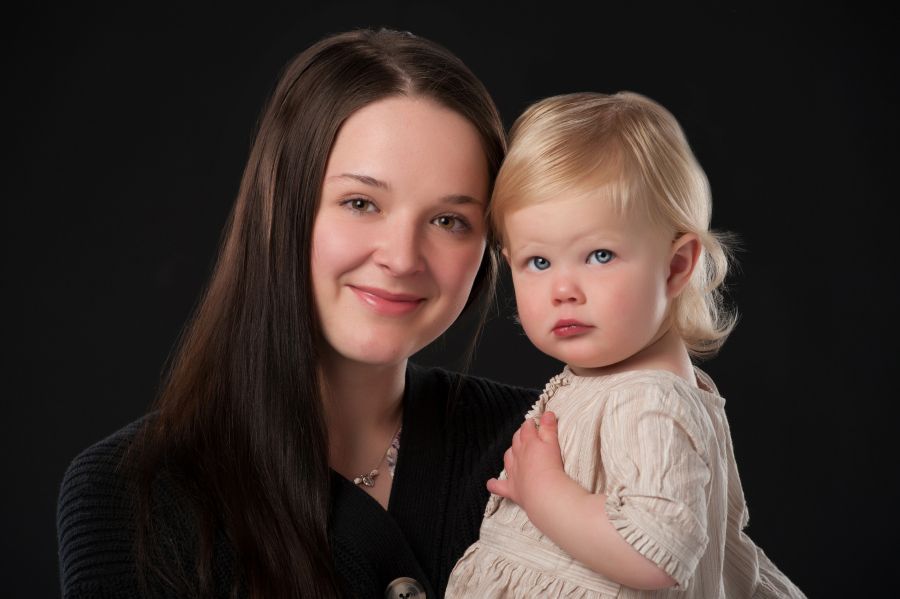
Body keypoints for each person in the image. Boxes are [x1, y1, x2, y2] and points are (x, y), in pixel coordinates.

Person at [56, 29, 537, 599]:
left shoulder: (549, 440)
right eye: (361, 204)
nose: (403, 257)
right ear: (280, 206)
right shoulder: (131, 494)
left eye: (449, 220)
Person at [445, 92, 805, 598]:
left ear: (676, 265)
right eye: (539, 262)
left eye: (598, 254)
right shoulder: (613, 383)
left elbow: (654, 553)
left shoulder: (650, 400)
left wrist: (544, 492)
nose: (563, 289)